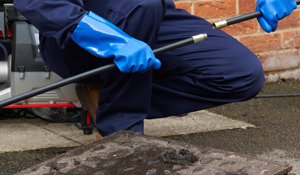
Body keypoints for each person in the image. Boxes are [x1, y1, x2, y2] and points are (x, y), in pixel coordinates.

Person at [13, 0, 296, 137]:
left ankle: (106, 91)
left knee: (242, 75)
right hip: (76, 36)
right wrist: (110, 41)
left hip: (151, 14)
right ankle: (121, 137)